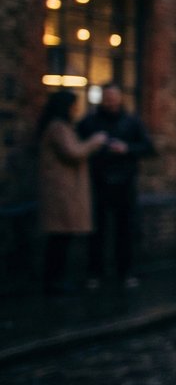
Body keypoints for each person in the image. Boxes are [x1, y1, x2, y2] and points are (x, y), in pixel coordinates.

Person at [76, 83, 153, 288]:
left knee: (125, 230)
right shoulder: (90, 122)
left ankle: (125, 271)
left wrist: (126, 149)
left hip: (125, 182)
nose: (110, 101)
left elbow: (147, 147)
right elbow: (79, 146)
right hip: (98, 181)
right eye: (107, 97)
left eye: (113, 97)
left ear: (120, 98)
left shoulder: (131, 122)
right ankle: (95, 272)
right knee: (97, 231)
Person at [36, 91, 107, 295]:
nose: (76, 110)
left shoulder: (61, 126)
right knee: (59, 239)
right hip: (61, 192)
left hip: (65, 191)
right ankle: (54, 281)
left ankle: (57, 279)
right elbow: (73, 152)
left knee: (62, 238)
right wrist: (95, 142)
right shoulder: (58, 127)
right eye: (74, 106)